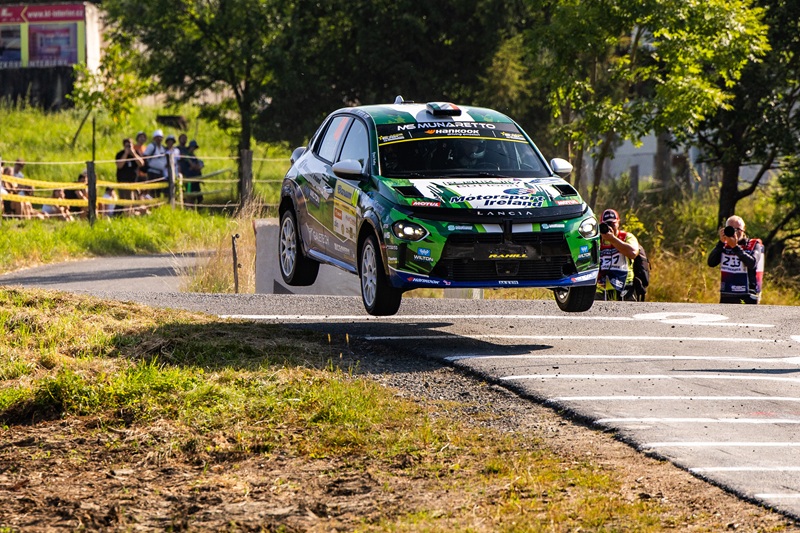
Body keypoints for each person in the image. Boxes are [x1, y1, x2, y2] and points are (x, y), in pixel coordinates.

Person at [707, 215, 764, 304]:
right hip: (727, 293)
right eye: (731, 229)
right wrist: (721, 243)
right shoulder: (723, 245)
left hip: (748, 294)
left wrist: (735, 247)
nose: (735, 232)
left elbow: (752, 263)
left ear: (744, 230)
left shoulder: (753, 244)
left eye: (738, 229)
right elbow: (711, 263)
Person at [596, 208, 640, 301]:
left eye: (612, 224)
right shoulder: (597, 240)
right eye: (606, 224)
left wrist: (613, 239)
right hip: (601, 289)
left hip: (625, 287)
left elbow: (633, 253)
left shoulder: (627, 237)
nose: (609, 228)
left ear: (618, 223)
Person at [115, 137, 144, 202]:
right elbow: (119, 165)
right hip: (123, 182)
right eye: (127, 145)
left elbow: (141, 163)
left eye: (130, 145)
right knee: (127, 201)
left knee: (136, 200)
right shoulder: (120, 154)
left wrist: (133, 153)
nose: (128, 147)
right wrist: (126, 153)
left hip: (134, 182)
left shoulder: (136, 153)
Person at [143, 129, 168, 196]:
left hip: (160, 173)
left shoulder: (163, 148)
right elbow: (145, 157)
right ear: (154, 138)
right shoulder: (151, 146)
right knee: (151, 190)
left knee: (158, 191)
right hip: (152, 172)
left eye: (160, 137)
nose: (159, 139)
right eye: (157, 137)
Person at [182, 139, 204, 206]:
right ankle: (188, 206)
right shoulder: (187, 156)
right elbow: (193, 165)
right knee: (189, 193)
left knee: (198, 195)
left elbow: (199, 165)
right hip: (189, 178)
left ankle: (194, 207)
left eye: (194, 148)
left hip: (196, 177)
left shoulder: (194, 156)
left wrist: (196, 167)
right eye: (192, 147)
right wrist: (195, 167)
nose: (193, 149)